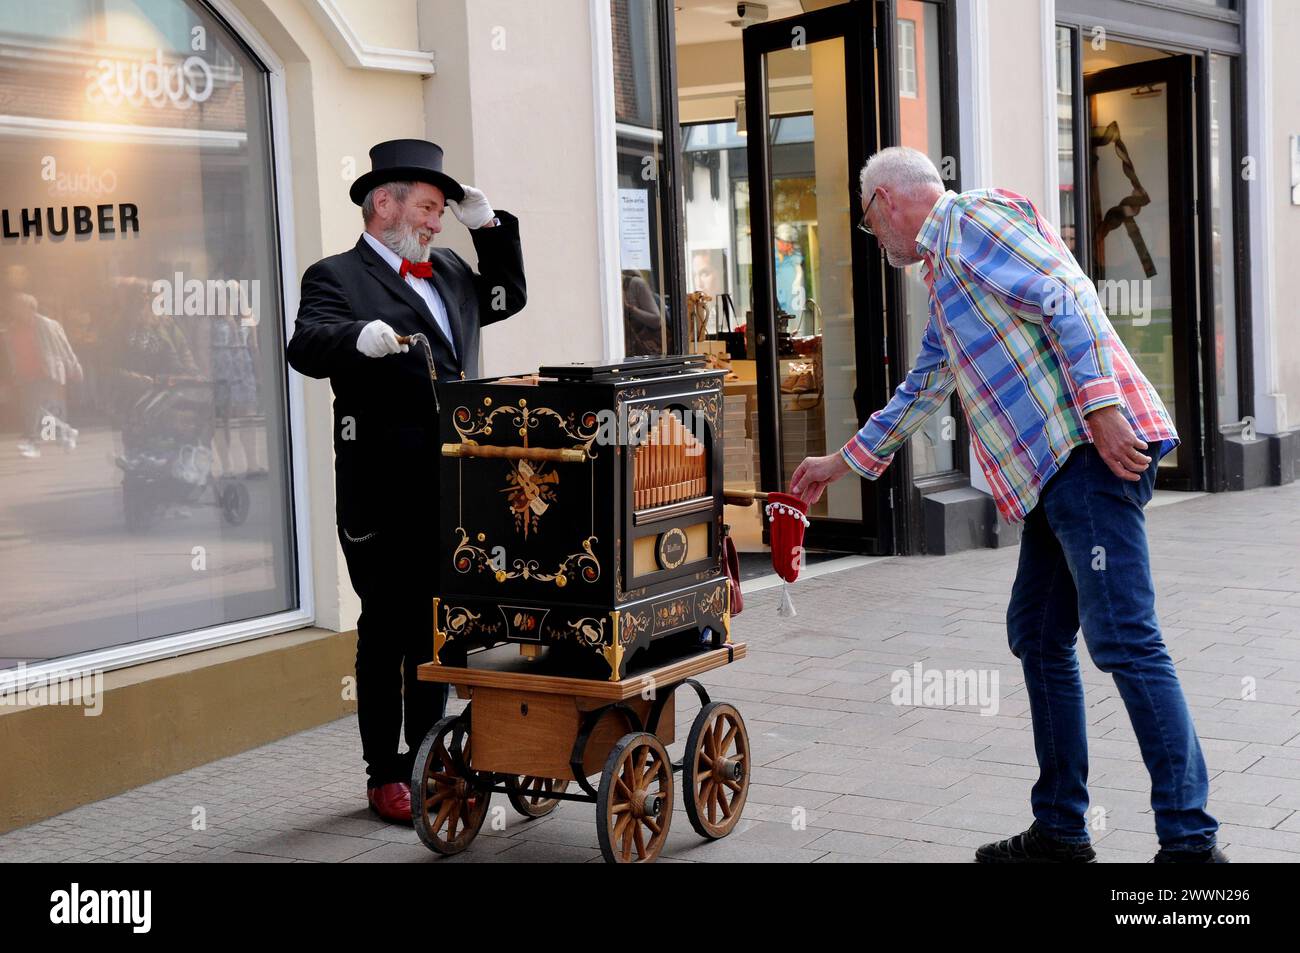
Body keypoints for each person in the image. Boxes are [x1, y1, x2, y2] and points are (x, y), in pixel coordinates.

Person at [790, 146, 1224, 864]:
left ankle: (1191, 846)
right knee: (1038, 629)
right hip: (1056, 471)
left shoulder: (970, 222)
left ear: (885, 203)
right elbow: (925, 385)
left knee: (1124, 639)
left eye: (871, 228)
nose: (878, 243)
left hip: (1087, 453)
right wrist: (843, 462)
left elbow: (1067, 294)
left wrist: (1103, 403)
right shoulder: (946, 273)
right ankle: (1060, 828)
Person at [286, 139, 526, 824]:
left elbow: (508, 296)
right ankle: (382, 773)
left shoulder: (450, 267)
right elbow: (304, 344)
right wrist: (354, 337)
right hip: (381, 490)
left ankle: (428, 756)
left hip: (455, 485)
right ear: (383, 204)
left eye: (443, 211)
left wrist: (491, 230)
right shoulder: (336, 276)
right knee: (386, 628)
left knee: (436, 629)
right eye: (428, 207)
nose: (436, 222)